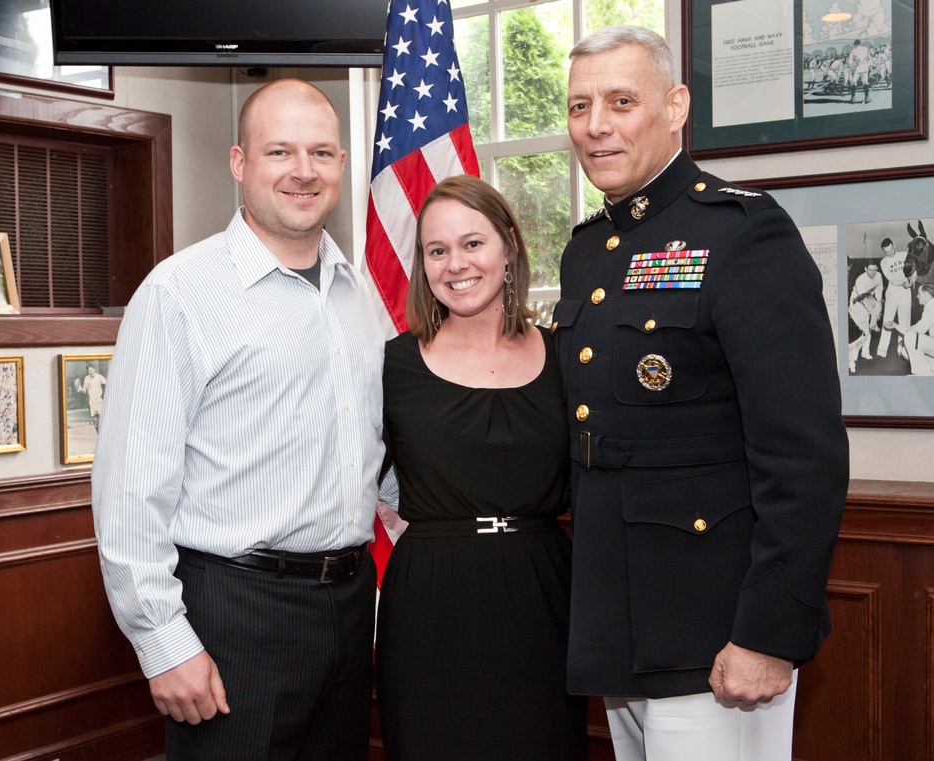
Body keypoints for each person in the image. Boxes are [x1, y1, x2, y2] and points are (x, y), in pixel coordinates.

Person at [556, 26, 848, 761]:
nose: (596, 125)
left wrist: (768, 633)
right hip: (620, 630)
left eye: (621, 101)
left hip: (719, 637)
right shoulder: (588, 249)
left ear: (675, 105)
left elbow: (803, 457)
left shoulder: (744, 234)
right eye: (579, 105)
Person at [92, 79, 393, 761]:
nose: (303, 171)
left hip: (348, 607)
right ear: (239, 163)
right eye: (279, 151)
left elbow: (374, 448)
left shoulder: (360, 296)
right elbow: (132, 489)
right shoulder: (178, 293)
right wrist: (163, 643)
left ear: (342, 165)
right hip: (234, 612)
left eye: (321, 152)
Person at [375, 174, 588, 760]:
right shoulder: (392, 364)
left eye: (473, 243)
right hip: (430, 602)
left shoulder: (567, 355)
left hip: (542, 594)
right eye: (437, 250)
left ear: (509, 248)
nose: (455, 264)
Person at [877, 238, 914, 359]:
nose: (890, 253)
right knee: (887, 321)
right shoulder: (884, 262)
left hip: (905, 293)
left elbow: (914, 271)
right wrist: (903, 283)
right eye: (886, 252)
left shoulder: (904, 255)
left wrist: (911, 281)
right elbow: (891, 279)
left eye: (891, 250)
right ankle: (881, 352)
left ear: (894, 245)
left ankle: (903, 349)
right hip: (892, 294)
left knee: (904, 321)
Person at [848, 260, 883, 362]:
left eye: (875, 270)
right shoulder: (860, 280)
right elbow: (863, 298)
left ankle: (865, 352)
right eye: (870, 270)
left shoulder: (879, 276)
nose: (873, 272)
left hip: (870, 301)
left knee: (869, 328)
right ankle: (852, 353)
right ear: (865, 269)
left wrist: (877, 307)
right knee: (864, 329)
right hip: (857, 303)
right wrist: (872, 312)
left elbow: (879, 290)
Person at [904, 284, 934, 374]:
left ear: (926, 295)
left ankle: (922, 375)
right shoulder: (929, 307)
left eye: (919, 294)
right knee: (904, 350)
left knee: (910, 338)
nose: (917, 296)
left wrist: (904, 330)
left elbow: (920, 329)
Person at [77, 364, 106, 430]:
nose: (89, 372)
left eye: (90, 370)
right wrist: (82, 390)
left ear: (93, 369)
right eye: (88, 371)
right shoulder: (86, 378)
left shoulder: (99, 377)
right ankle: (98, 434)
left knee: (101, 420)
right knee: (95, 423)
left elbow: (107, 382)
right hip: (92, 403)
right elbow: (84, 388)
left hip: (99, 401)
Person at [847, 39, 871, 104]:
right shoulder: (865, 48)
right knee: (865, 82)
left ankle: (853, 98)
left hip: (857, 68)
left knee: (854, 82)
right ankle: (867, 97)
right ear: (860, 44)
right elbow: (869, 58)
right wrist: (867, 64)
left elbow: (849, 62)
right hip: (865, 67)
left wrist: (854, 64)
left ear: (855, 45)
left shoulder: (853, 51)